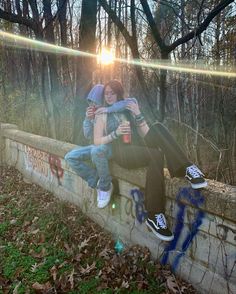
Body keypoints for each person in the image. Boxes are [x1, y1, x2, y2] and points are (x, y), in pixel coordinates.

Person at [93, 79, 207, 242]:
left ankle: (187, 168)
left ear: (119, 93)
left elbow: (145, 133)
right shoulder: (102, 113)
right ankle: (154, 214)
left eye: (112, 92)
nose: (109, 96)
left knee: (158, 128)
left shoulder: (128, 108)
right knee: (156, 155)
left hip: (137, 146)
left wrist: (138, 114)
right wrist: (115, 133)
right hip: (121, 152)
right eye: (106, 93)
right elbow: (96, 141)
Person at [64, 84, 137, 208]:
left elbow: (130, 101)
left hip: (112, 146)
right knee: (70, 157)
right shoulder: (96, 113)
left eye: (95, 102)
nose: (93, 105)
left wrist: (107, 110)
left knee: (97, 151)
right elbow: (87, 135)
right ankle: (97, 179)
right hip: (98, 144)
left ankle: (105, 186)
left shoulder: (113, 109)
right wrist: (88, 119)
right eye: (90, 102)